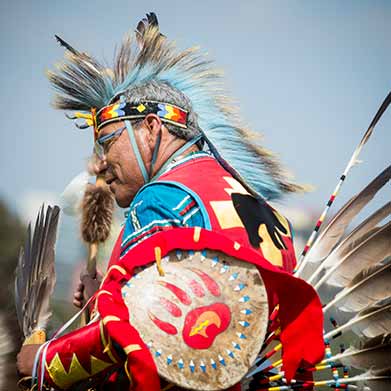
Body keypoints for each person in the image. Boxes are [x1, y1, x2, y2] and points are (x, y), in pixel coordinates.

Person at [17, 13, 324, 391]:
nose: (100, 162)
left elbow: (144, 332)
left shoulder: (163, 199)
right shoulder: (256, 203)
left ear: (150, 128)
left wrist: (44, 362)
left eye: (108, 140)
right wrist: (105, 299)